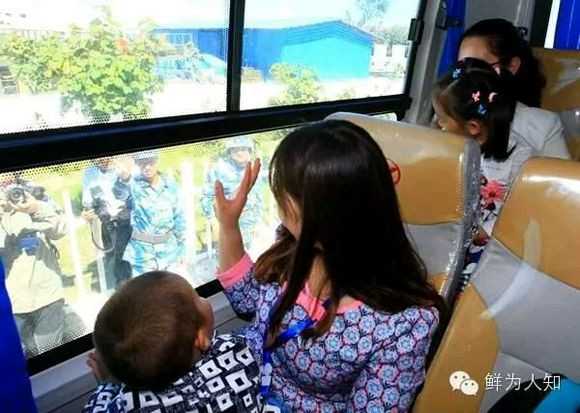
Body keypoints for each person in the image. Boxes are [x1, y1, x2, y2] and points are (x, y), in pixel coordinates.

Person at [214, 120, 445, 412]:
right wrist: (228, 225)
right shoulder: (291, 247)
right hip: (240, 383)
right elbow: (248, 301)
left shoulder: (404, 324)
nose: (277, 197)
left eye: (285, 191)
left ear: (325, 214)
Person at [82, 271, 262, 413]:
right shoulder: (237, 354)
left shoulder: (129, 404)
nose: (203, 298)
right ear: (199, 338)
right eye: (197, 296)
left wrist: (107, 386)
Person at [433, 58, 540, 285]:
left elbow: (517, 217)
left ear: (472, 127)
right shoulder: (448, 147)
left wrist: (470, 234)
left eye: (442, 121)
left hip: (491, 243)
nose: (436, 126)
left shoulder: (520, 158)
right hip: (451, 232)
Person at [458, 18, 570, 159]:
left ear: (512, 66)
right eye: (462, 66)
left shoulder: (541, 126)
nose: (468, 74)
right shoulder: (446, 111)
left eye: (478, 66)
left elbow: (559, 180)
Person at [0, 176, 67, 357]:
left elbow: (61, 229)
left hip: (47, 295)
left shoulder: (32, 192)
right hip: (13, 303)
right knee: (27, 357)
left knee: (49, 356)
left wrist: (36, 207)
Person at [114, 151, 186, 277]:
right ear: (137, 164)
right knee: (147, 293)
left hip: (169, 250)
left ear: (157, 162)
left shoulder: (170, 186)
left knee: (172, 290)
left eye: (150, 162)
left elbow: (179, 217)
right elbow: (120, 193)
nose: (147, 167)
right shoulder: (133, 185)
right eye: (142, 163)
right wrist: (123, 177)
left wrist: (181, 249)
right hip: (143, 254)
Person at [201, 137, 263, 254]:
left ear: (250, 151)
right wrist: (214, 220)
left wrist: (258, 222)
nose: (240, 153)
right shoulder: (219, 169)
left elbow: (258, 197)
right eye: (235, 150)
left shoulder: (253, 168)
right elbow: (206, 197)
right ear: (229, 152)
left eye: (244, 149)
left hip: (249, 227)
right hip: (228, 229)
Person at [81, 157, 132, 291]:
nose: (103, 161)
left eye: (106, 159)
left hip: (127, 219)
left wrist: (125, 176)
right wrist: (89, 210)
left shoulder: (123, 165)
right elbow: (87, 201)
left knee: (130, 256)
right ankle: (123, 287)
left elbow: (136, 188)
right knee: (116, 257)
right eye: (98, 160)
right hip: (107, 222)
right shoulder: (89, 173)